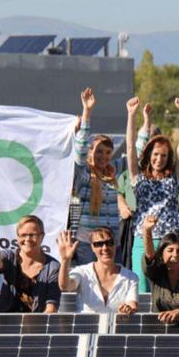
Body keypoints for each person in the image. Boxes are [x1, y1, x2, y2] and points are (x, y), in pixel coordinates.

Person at [127, 96, 179, 292]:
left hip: (169, 241)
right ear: (148, 155)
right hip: (142, 238)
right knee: (142, 288)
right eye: (155, 154)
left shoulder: (173, 178)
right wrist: (131, 115)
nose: (159, 159)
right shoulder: (138, 177)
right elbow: (129, 147)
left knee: (168, 288)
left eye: (163, 155)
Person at [72, 87, 123, 265]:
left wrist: (141, 120)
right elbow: (79, 150)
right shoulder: (84, 173)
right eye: (99, 151)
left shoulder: (113, 171)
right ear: (91, 151)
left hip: (111, 242)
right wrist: (87, 112)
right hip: (87, 243)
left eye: (108, 152)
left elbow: (135, 153)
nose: (103, 156)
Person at [0, 211, 61, 313]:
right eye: (23, 235)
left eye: (32, 235)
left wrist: (39, 327)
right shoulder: (10, 257)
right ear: (18, 236)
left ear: (42, 236)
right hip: (6, 324)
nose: (27, 239)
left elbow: (51, 306)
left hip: (37, 325)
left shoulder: (53, 267)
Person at [57, 228, 139, 315]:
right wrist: (65, 260)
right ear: (92, 247)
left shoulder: (131, 277)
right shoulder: (82, 272)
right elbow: (65, 286)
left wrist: (127, 310)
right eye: (99, 244)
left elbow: (132, 305)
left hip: (117, 326)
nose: (105, 248)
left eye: (109, 243)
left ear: (115, 245)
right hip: (85, 328)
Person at [142, 216, 179, 322]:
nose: (175, 255)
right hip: (158, 329)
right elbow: (150, 257)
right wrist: (147, 231)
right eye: (170, 250)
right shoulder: (156, 275)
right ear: (161, 254)